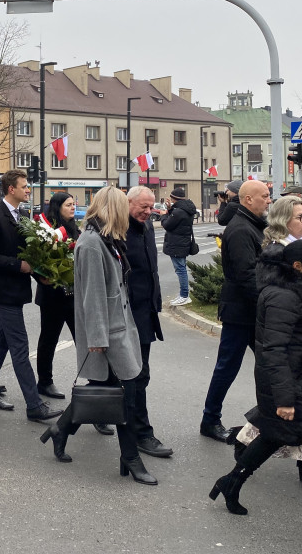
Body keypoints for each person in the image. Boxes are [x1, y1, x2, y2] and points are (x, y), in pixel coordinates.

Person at [209, 240, 302, 551]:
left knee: (275, 435)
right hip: (291, 384)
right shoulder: (281, 296)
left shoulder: (300, 288)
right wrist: (286, 399)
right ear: (297, 267)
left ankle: (231, 482)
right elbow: (272, 351)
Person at [39, 186, 155, 484]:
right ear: (113, 210)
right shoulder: (91, 244)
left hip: (117, 328)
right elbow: (91, 297)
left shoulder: (106, 240)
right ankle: (130, 457)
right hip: (109, 334)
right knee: (125, 395)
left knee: (104, 390)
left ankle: (60, 429)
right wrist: (98, 340)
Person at [0, 169, 63, 423]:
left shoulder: (23, 215)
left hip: (18, 289)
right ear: (10, 189)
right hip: (4, 291)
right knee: (19, 347)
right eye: (24, 186)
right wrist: (19, 266)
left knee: (1, 341)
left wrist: (40, 274)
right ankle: (34, 405)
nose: (28, 190)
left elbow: (28, 254)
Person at [200, 180, 271, 442]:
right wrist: (269, 304)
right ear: (248, 200)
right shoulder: (241, 229)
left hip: (250, 310)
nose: (269, 200)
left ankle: (269, 419)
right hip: (241, 312)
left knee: (268, 366)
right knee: (227, 367)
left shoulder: (251, 224)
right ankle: (210, 420)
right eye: (264, 196)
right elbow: (247, 276)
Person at [124, 186, 174, 459]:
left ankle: (66, 427)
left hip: (146, 311)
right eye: (142, 207)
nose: (147, 211)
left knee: (127, 375)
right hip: (127, 314)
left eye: (151, 206)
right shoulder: (117, 229)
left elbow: (150, 269)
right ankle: (142, 433)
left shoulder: (147, 227)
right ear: (127, 202)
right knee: (136, 375)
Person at [34, 192, 80, 400]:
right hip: (52, 294)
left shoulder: (74, 227)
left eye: (73, 204)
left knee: (83, 340)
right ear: (57, 207)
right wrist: (41, 276)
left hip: (74, 295)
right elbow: (36, 256)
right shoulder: (46, 227)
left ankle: (94, 383)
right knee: (48, 339)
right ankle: (44, 382)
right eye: (68, 205)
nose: (73, 207)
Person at [162, 186, 197, 306]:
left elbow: (167, 224)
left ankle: (184, 295)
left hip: (177, 244)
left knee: (180, 269)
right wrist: (170, 209)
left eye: (171, 199)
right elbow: (177, 221)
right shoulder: (186, 209)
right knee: (181, 268)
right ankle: (183, 294)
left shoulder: (179, 212)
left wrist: (164, 215)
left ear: (174, 199)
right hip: (183, 242)